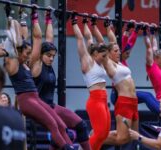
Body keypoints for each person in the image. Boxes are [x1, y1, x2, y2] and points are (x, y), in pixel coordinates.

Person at [4, 17, 74, 149]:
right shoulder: (13, 65)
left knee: (62, 126)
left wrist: (26, 20)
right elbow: (13, 44)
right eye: (27, 53)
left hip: (35, 98)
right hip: (26, 101)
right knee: (52, 124)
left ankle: (69, 146)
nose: (30, 56)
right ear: (19, 52)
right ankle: (67, 148)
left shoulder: (25, 63)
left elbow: (36, 39)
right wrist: (11, 23)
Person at [29, 9, 91, 149]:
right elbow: (38, 39)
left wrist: (49, 19)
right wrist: (34, 18)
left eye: (53, 56)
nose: (51, 58)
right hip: (40, 109)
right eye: (48, 55)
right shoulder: (37, 65)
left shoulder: (48, 63)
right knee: (65, 136)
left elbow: (49, 38)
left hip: (51, 107)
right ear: (41, 55)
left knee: (81, 126)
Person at [88, 16, 139, 146]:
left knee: (133, 136)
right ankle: (93, 138)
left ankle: (99, 134)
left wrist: (107, 25)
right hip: (124, 102)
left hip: (133, 102)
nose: (119, 52)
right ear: (108, 54)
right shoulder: (108, 63)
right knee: (122, 139)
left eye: (119, 50)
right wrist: (93, 26)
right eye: (116, 51)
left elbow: (112, 40)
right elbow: (102, 42)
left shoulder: (120, 63)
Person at [72, 14, 110, 150]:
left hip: (103, 99)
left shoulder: (98, 62)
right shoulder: (87, 62)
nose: (105, 58)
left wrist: (87, 22)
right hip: (95, 100)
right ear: (95, 54)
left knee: (104, 134)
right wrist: (74, 22)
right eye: (103, 55)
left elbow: (90, 38)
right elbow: (80, 38)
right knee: (99, 133)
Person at [145, 23, 161, 100]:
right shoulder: (152, 66)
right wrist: (144, 32)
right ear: (156, 58)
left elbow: (155, 47)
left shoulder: (160, 68)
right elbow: (149, 48)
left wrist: (152, 32)